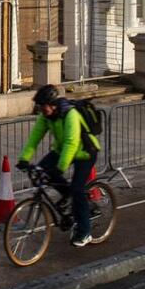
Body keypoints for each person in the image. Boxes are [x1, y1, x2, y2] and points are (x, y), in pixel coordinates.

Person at [16, 84, 100, 247]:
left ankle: (84, 233)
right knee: (42, 170)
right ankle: (68, 196)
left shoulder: (70, 115)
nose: (40, 110)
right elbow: (34, 138)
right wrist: (24, 159)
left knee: (77, 189)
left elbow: (71, 142)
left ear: (52, 105)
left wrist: (61, 167)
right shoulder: (46, 117)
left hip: (84, 152)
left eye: (42, 106)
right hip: (62, 151)